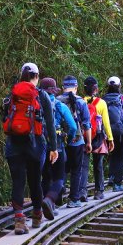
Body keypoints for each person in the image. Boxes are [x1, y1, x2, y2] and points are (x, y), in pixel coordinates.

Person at [3, 63, 59, 235]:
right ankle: (36, 215)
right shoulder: (42, 96)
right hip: (35, 143)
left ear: (21, 75)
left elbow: (5, 119)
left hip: (14, 143)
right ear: (37, 77)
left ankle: (19, 220)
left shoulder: (11, 95)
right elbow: (50, 124)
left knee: (18, 181)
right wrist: (53, 147)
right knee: (35, 179)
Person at [38, 77, 78, 216]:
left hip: (39, 145)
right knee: (59, 177)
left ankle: (43, 206)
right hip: (57, 146)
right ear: (54, 91)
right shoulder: (60, 105)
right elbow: (73, 126)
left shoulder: (36, 102)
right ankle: (49, 201)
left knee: (44, 176)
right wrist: (69, 138)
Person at [56, 76, 93, 208]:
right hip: (77, 141)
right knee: (76, 170)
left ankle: (57, 198)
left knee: (61, 169)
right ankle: (73, 199)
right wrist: (88, 143)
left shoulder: (56, 101)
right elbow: (87, 125)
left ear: (63, 88)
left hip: (60, 141)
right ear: (76, 88)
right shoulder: (81, 102)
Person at [82, 76, 115, 200]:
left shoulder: (80, 101)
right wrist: (110, 139)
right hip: (99, 137)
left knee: (84, 166)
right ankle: (99, 191)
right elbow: (106, 123)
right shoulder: (101, 103)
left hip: (85, 136)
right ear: (95, 89)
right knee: (98, 165)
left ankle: (83, 192)